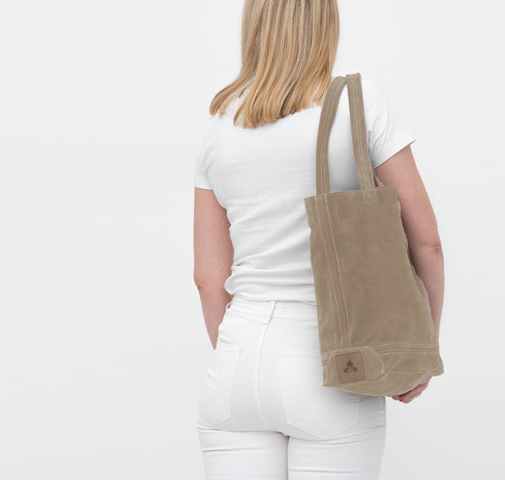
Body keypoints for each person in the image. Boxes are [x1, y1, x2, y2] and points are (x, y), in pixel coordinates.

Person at [192, 1, 444, 478]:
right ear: (325, 22)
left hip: (236, 362)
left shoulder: (220, 120)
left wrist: (239, 358)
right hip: (334, 361)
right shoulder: (358, 102)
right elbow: (426, 242)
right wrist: (419, 350)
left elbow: (208, 277)